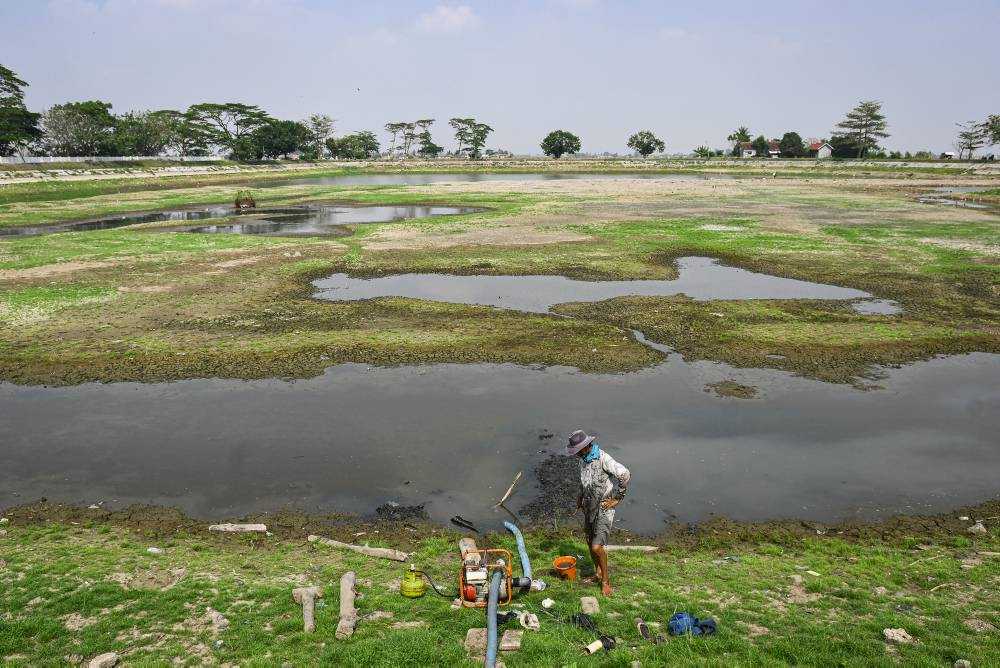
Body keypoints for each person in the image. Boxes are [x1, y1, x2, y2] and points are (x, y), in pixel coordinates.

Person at [566, 429, 630, 596]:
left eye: (577, 451)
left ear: (586, 447)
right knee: (589, 541)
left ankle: (606, 581)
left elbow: (624, 474)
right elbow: (584, 481)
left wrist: (617, 497)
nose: (576, 454)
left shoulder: (603, 458)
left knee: (596, 547)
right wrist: (580, 498)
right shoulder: (583, 460)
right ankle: (598, 573)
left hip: (603, 507)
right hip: (589, 506)